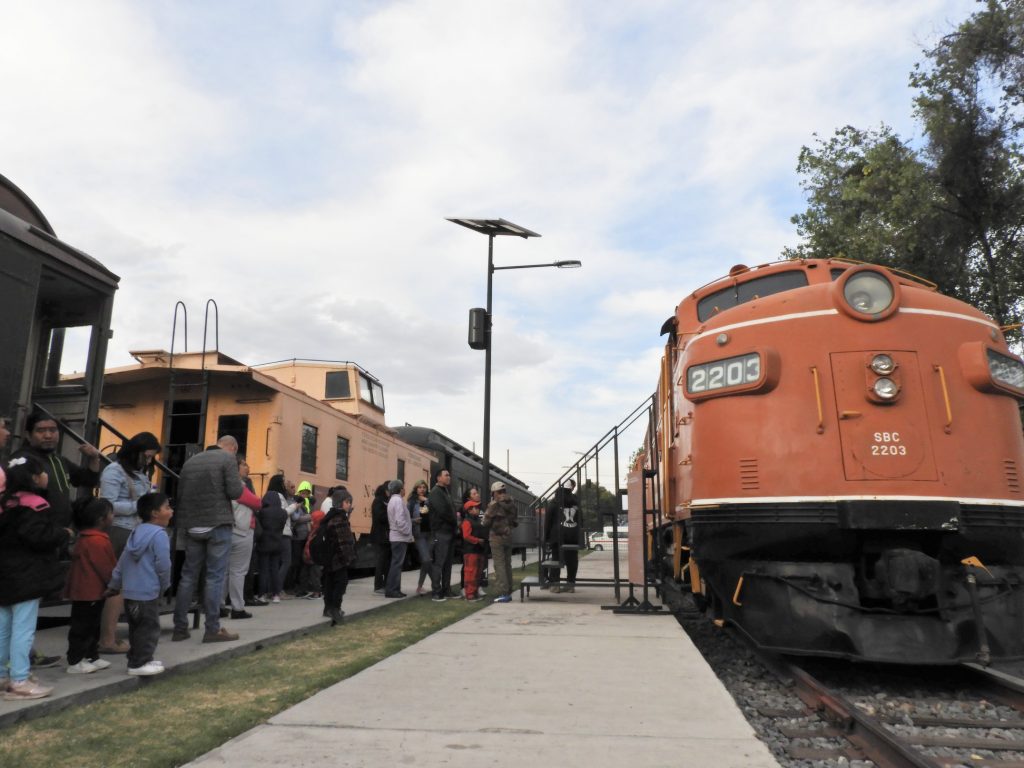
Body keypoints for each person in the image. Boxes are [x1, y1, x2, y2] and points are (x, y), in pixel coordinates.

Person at [172, 435, 259, 644]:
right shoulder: (227, 459)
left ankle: (179, 627)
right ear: (233, 448)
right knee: (214, 577)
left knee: (188, 576)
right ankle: (212, 629)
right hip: (217, 524)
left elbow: (181, 492)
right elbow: (235, 491)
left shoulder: (191, 461)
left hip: (192, 524)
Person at [0, 455, 70, 700]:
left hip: (5, 575)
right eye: (41, 472)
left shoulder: (5, 503)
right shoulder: (36, 504)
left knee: (4, 628)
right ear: (33, 478)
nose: (45, 475)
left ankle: (2, 676)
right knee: (24, 629)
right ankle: (20, 679)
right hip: (27, 576)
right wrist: (62, 534)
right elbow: (39, 537)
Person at [97, 431, 161, 654]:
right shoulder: (114, 471)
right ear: (136, 452)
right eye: (147, 456)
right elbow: (108, 504)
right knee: (118, 587)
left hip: (135, 532)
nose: (149, 461)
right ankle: (107, 639)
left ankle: (110, 636)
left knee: (127, 587)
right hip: (120, 531)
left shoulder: (138, 473)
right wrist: (140, 506)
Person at [108, 492, 173, 676]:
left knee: (136, 628)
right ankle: (140, 662)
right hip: (147, 591)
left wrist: (114, 583)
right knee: (149, 628)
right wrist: (164, 585)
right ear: (155, 513)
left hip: (130, 592)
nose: (171, 511)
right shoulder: (159, 535)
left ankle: (137, 659)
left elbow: (122, 562)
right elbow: (163, 565)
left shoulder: (135, 532)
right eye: (167, 507)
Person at [12, 410, 101, 528]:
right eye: (40, 431)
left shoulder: (59, 460)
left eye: (53, 430)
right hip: (33, 533)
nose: (48, 435)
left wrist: (94, 458)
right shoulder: (22, 461)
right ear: (28, 435)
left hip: (58, 534)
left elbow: (89, 480)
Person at [64, 497, 117, 674]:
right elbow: (104, 566)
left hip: (91, 591)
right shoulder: (96, 541)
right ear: (102, 519)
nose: (113, 516)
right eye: (111, 513)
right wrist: (114, 582)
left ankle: (91, 655)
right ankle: (75, 660)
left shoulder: (88, 538)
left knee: (92, 625)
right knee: (83, 627)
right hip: (89, 591)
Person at [226, 455, 257, 619]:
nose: (248, 467)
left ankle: (219, 605)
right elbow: (257, 503)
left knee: (224, 571)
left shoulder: (226, 484)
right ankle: (237, 607)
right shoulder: (239, 486)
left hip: (230, 529)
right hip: (241, 530)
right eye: (244, 464)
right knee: (238, 571)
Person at [321, 489, 357, 626]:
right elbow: (343, 541)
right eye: (347, 502)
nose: (349, 505)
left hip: (329, 557)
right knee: (341, 583)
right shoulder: (339, 518)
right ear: (340, 503)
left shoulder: (330, 516)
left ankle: (328, 608)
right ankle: (335, 609)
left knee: (329, 582)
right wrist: (348, 558)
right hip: (338, 558)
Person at [482, 481, 518, 604]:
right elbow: (514, 520)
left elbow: (485, 522)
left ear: (495, 492)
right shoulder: (512, 503)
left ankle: (503, 592)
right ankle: (509, 589)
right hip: (509, 536)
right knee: (507, 564)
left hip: (496, 537)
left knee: (499, 565)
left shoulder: (494, 504)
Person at [544, 479, 580, 593]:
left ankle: (555, 585)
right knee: (572, 560)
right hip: (573, 535)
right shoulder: (576, 501)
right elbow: (580, 519)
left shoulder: (554, 502)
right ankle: (570, 584)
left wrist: (546, 538)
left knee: (556, 560)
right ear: (571, 489)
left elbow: (548, 521)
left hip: (558, 536)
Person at [257, 476, 289, 603]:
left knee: (263, 570)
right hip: (277, 543)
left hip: (264, 544)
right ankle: (276, 594)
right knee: (274, 569)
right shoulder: (282, 513)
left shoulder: (262, 512)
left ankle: (262, 594)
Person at [428, 469, 457, 602]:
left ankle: (446, 589)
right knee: (439, 563)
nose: (449, 477)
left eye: (449, 475)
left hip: (449, 531)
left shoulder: (446, 492)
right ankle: (436, 591)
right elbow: (443, 512)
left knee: (447, 564)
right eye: (446, 475)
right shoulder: (435, 492)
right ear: (438, 478)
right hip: (441, 532)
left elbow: (450, 510)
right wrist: (455, 520)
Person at [385, 479, 411, 598]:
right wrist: (407, 532)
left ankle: (394, 589)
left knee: (395, 563)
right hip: (399, 536)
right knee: (397, 564)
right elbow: (400, 520)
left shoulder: (392, 500)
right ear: (400, 489)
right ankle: (393, 590)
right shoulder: (398, 500)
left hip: (395, 535)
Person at [288, 481, 314, 596]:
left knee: (302, 562)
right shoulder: (297, 502)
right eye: (303, 493)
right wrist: (310, 517)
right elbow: (296, 519)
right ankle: (294, 586)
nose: (305, 495)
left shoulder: (306, 503)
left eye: (307, 493)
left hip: (304, 535)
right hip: (298, 537)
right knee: (296, 562)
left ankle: (300, 586)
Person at [407, 480, 432, 596]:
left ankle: (421, 586)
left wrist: (426, 502)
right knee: (426, 559)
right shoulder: (411, 502)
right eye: (419, 487)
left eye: (424, 487)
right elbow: (405, 518)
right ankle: (435, 583)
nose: (422, 489)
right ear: (416, 489)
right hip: (419, 535)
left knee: (427, 561)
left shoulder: (428, 501)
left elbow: (429, 515)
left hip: (429, 534)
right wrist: (414, 521)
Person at [460, 498, 486, 601]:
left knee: (477, 572)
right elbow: (466, 536)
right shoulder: (467, 521)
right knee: (471, 572)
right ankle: (469, 594)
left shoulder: (477, 520)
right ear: (469, 510)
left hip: (477, 550)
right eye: (476, 507)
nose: (478, 509)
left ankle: (474, 593)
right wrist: (478, 540)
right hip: (470, 550)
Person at [370, 482, 390, 595]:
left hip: (385, 535)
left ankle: (385, 584)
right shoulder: (379, 501)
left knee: (386, 561)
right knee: (381, 561)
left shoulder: (386, 500)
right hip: (381, 535)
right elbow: (380, 516)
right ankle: (378, 585)